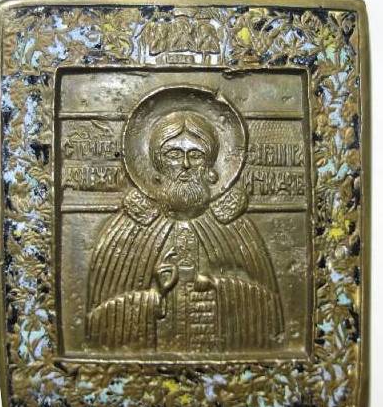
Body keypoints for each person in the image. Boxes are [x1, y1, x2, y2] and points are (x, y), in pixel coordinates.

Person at [86, 111, 284, 353]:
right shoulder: (129, 228)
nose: (186, 165)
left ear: (210, 166)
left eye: (196, 155)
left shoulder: (235, 227)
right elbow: (97, 322)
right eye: (173, 154)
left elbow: (271, 311)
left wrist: (218, 286)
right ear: (157, 163)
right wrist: (154, 297)